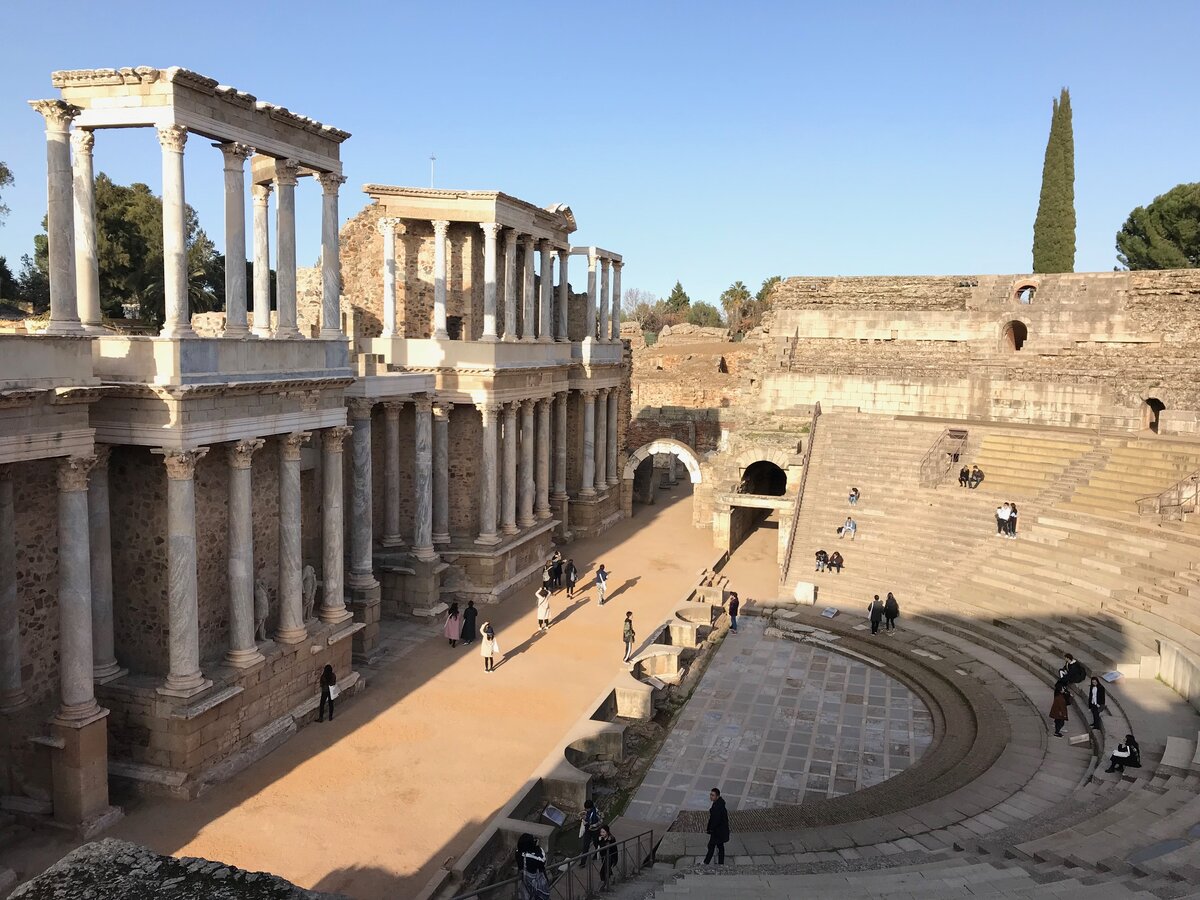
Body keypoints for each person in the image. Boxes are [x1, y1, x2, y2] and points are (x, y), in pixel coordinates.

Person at [515, 833, 550, 900]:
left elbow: (521, 853)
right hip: (537, 885)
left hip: (526, 884)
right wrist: (538, 847)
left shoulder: (518, 854)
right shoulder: (534, 859)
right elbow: (542, 860)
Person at [703, 788, 729, 865]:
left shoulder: (718, 807)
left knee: (711, 846)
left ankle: (706, 862)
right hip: (719, 831)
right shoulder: (718, 804)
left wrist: (710, 829)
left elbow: (715, 820)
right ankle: (721, 863)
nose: (711, 796)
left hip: (718, 832)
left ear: (717, 796)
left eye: (713, 795)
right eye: (710, 795)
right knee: (720, 847)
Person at [578, 799, 602, 867]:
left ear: (591, 807)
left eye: (587, 808)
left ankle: (597, 854)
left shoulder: (596, 812)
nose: (586, 810)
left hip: (595, 830)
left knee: (596, 843)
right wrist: (583, 818)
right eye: (585, 808)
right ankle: (583, 862)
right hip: (588, 830)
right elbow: (587, 818)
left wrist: (593, 825)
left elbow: (601, 820)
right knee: (585, 846)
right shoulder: (586, 812)